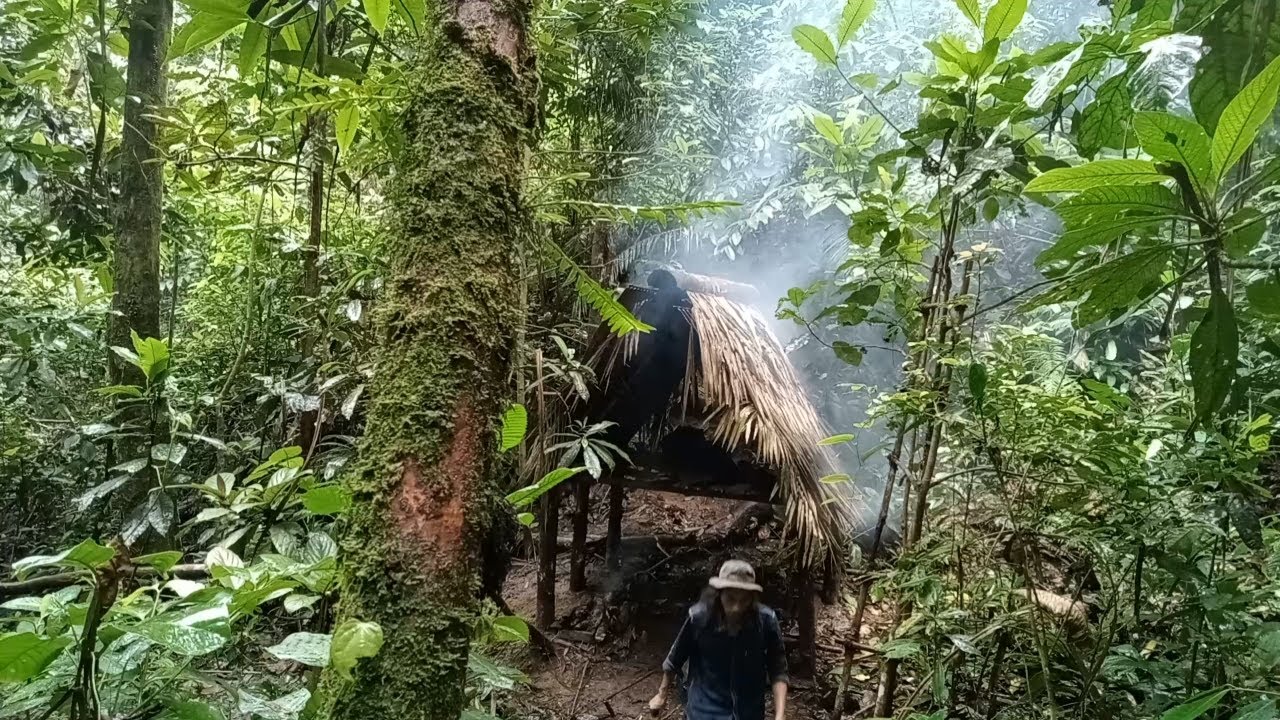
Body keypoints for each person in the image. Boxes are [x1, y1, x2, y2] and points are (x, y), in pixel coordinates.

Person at [649, 560, 789, 720]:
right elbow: (675, 659)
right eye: (730, 599)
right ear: (718, 594)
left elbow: (778, 670)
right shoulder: (699, 618)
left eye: (744, 600)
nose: (737, 607)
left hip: (748, 712)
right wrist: (661, 695)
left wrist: (780, 715)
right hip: (705, 711)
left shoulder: (765, 621)